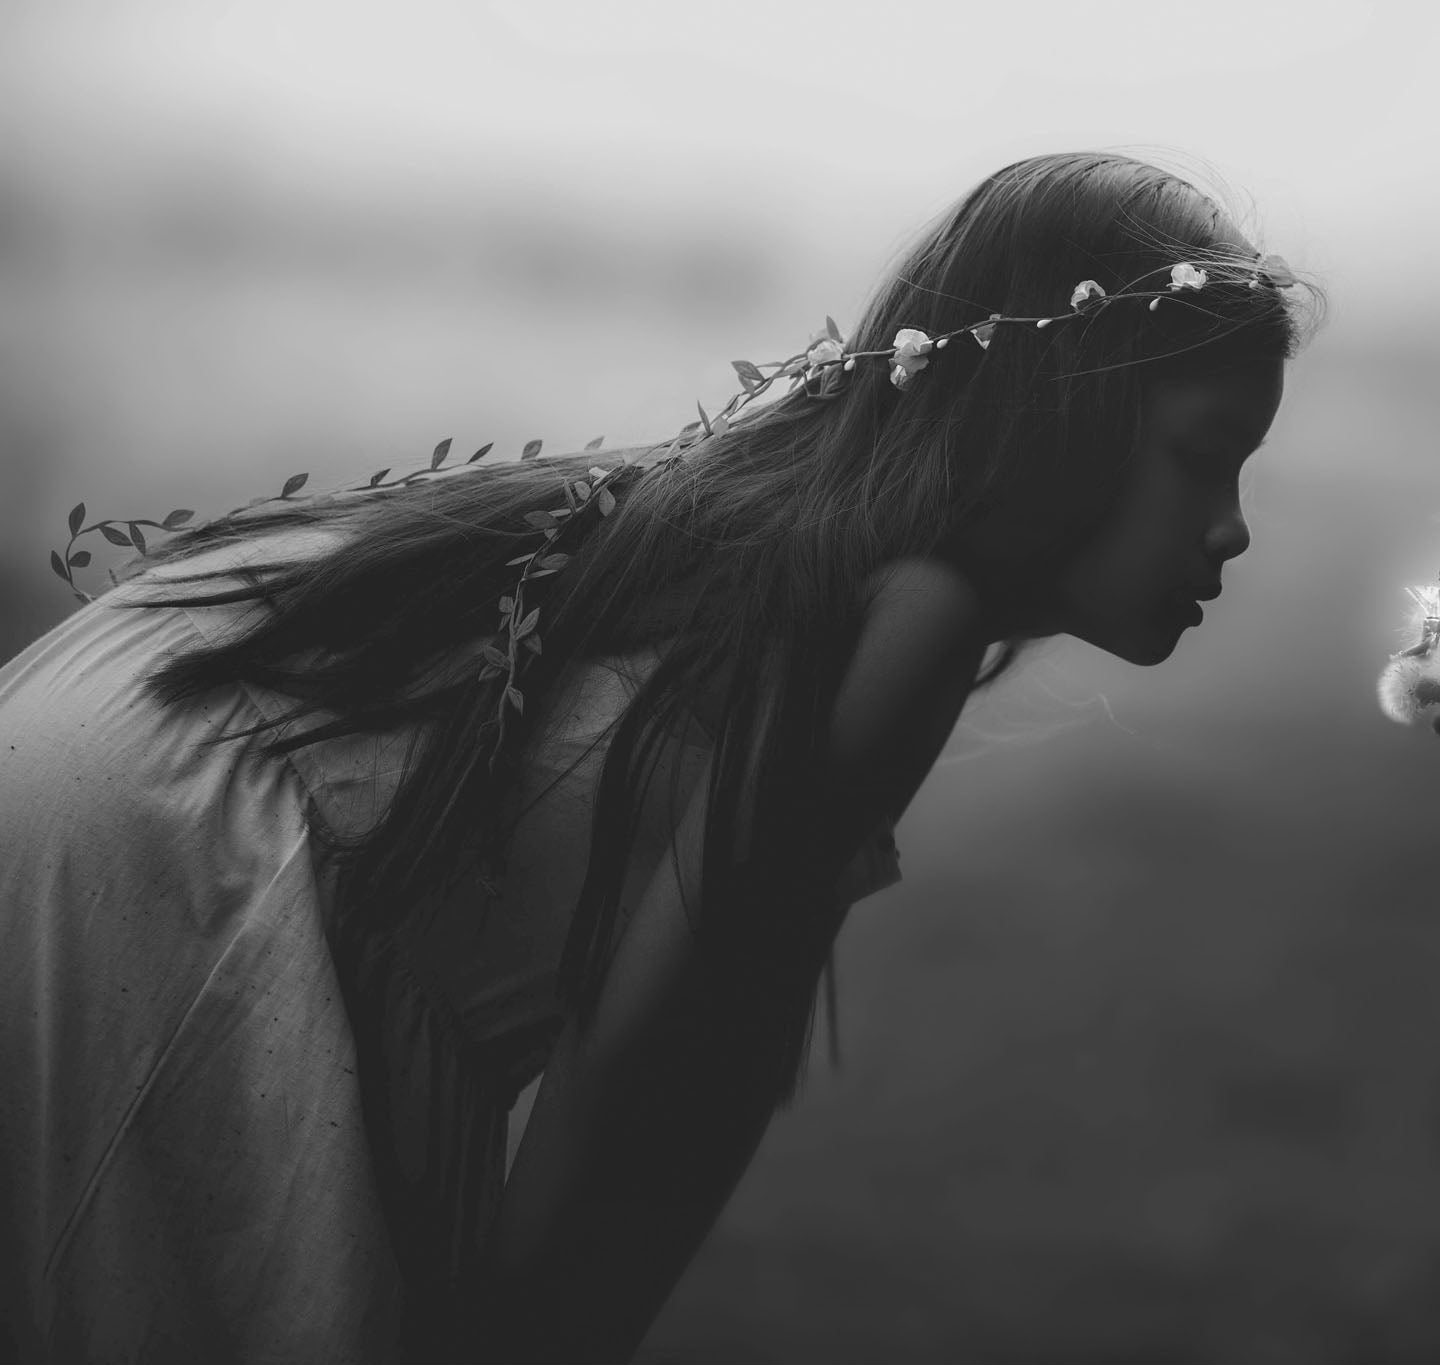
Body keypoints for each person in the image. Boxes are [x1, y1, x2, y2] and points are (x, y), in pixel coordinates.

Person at [0, 150, 1318, 1363]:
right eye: (1202, 459)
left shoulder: (795, 532)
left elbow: (686, 1050)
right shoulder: (915, 611)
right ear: (1052, 422)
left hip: (108, 758)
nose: (1232, 529)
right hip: (181, 863)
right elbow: (645, 1073)